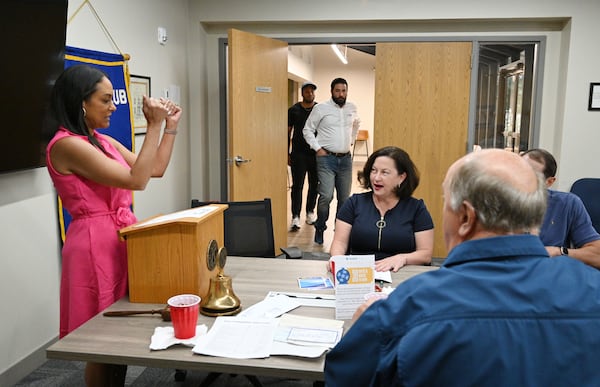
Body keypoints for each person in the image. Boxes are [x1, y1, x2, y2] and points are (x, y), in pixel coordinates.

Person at [325, 149, 600, 386]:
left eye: (446, 203)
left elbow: (345, 379)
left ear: (466, 217)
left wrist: (363, 331)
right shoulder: (592, 289)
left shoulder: (408, 307)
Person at [43, 65, 181, 387]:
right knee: (102, 340)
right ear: (81, 103)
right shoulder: (65, 145)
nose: (113, 106)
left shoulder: (101, 141)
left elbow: (154, 169)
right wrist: (154, 123)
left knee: (119, 335)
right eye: (105, 100)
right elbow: (137, 180)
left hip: (118, 239)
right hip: (94, 247)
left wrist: (169, 127)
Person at [329, 146, 433, 271]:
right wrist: (337, 260)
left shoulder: (416, 208)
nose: (376, 178)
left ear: (402, 177)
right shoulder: (354, 203)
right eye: (374, 170)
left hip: (400, 272)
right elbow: (339, 243)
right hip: (358, 274)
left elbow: (425, 254)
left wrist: (402, 258)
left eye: (385, 172)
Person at [303, 77, 360, 245]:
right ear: (331, 91)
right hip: (326, 159)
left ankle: (340, 233)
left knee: (344, 199)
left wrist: (351, 141)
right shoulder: (321, 108)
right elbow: (307, 129)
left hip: (345, 160)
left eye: (344, 91)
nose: (341, 94)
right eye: (337, 91)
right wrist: (317, 148)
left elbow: (356, 124)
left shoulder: (352, 107)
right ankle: (320, 227)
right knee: (326, 196)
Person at [522, 148, 600, 268]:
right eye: (518, 172)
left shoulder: (567, 203)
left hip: (549, 271)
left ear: (549, 182)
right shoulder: (498, 200)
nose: (520, 180)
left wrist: (559, 252)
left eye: (531, 177)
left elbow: (596, 255)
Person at [288, 81, 319, 230]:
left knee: (314, 185)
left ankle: (310, 212)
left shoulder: (319, 109)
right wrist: (286, 152)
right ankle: (295, 216)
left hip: (315, 154)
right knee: (297, 186)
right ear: (302, 93)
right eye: (307, 91)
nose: (310, 94)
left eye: (312, 92)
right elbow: (287, 132)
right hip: (298, 154)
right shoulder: (293, 110)